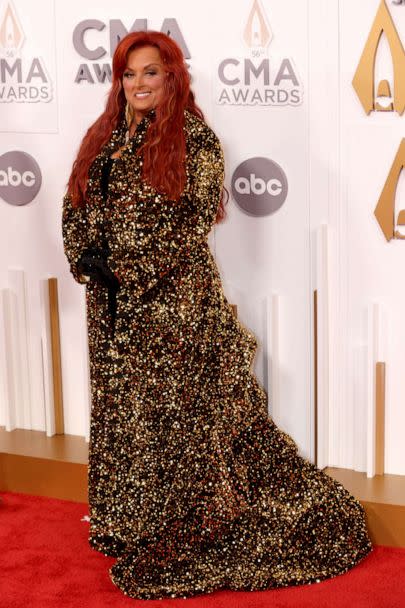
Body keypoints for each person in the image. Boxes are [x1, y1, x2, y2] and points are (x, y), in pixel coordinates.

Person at [62, 31, 373, 600]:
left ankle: (181, 524)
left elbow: (189, 221)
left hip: (176, 308)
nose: (138, 85)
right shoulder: (103, 137)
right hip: (110, 311)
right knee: (125, 414)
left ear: (172, 76)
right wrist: (86, 260)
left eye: (150, 73)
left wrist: (124, 266)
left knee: (181, 422)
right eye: (129, 75)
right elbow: (76, 201)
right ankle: (130, 523)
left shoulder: (195, 140)